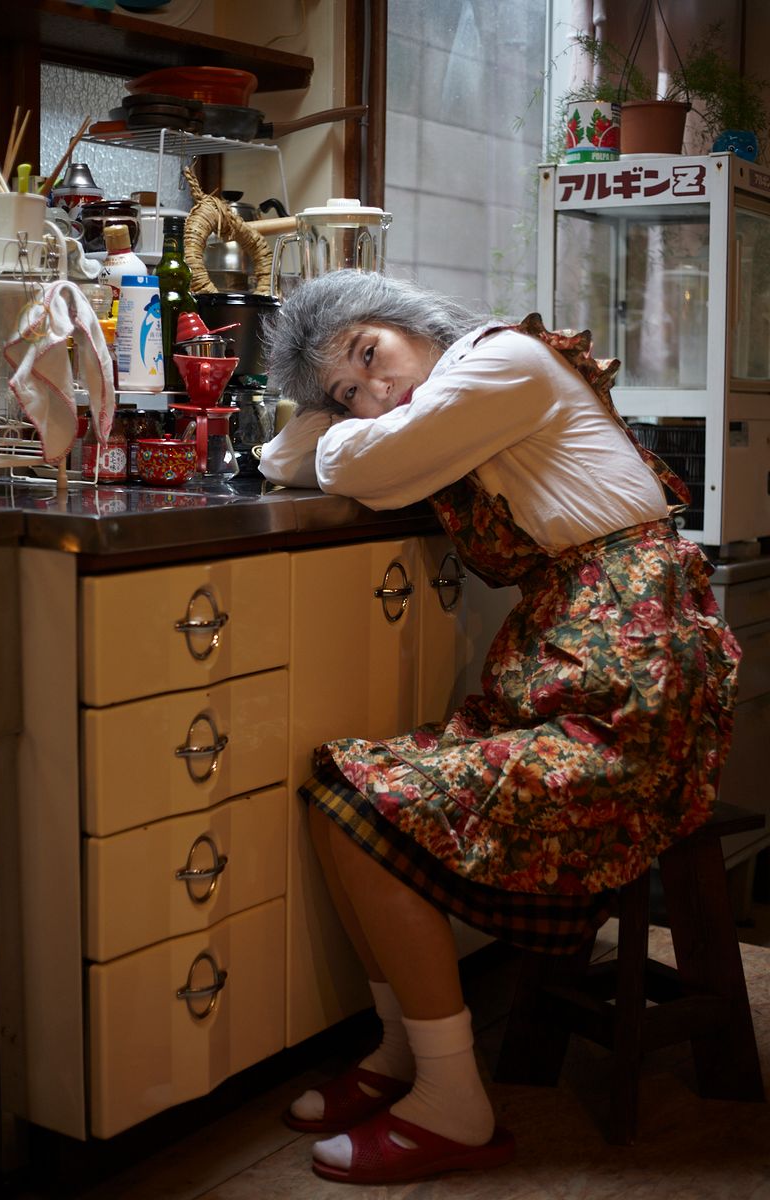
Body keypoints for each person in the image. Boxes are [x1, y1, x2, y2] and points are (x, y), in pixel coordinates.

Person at [258, 270, 741, 1186]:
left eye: (371, 356)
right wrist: (336, 431)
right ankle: (405, 1051)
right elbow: (313, 457)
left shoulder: (501, 361)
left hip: (631, 698)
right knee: (336, 790)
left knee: (371, 803)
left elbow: (360, 463)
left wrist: (338, 433)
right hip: (570, 672)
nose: (377, 392)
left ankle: (456, 1103)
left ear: (416, 323)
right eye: (349, 394)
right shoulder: (444, 402)